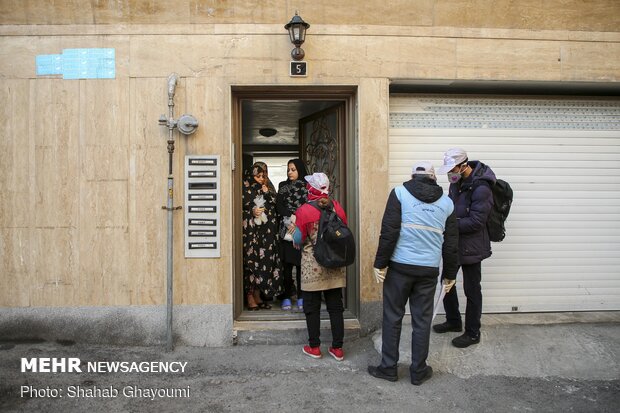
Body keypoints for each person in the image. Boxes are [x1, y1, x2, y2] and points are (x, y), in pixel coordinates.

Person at [368, 161, 459, 385]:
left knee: (392, 317)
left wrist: (380, 263)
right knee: (421, 321)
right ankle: (418, 371)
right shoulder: (447, 203)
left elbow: (389, 231)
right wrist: (449, 274)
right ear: (433, 179)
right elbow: (451, 244)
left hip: (399, 267)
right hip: (428, 271)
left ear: (412, 177)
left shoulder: (399, 193)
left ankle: (388, 368)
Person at [433, 148, 496, 348]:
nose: (450, 173)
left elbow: (477, 221)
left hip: (472, 247)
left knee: (472, 289)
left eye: (453, 169)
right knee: (447, 283)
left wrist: (449, 225)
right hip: (455, 243)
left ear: (463, 166)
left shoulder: (482, 188)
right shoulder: (456, 183)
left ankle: (472, 332)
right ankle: (453, 321)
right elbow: (451, 209)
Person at [292, 172, 347, 361]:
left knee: (312, 307)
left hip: (312, 265)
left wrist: (295, 234)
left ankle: (314, 347)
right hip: (334, 264)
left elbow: (298, 239)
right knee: (335, 307)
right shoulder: (337, 207)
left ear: (311, 190)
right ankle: (337, 348)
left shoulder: (304, 211)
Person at [242, 162, 283, 310]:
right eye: (257, 176)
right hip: (252, 235)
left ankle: (258, 295)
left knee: (265, 263)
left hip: (267, 234)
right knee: (252, 263)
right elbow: (239, 208)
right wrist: (251, 212)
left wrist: (267, 192)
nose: (261, 178)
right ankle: (250, 296)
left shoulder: (268, 187)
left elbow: (276, 205)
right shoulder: (245, 188)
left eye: (263, 175)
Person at [276, 159, 309, 311]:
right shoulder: (282, 186)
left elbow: (309, 206)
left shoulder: (308, 187)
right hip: (286, 230)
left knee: (301, 266)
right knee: (286, 266)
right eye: (288, 169)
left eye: (293, 169)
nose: (290, 172)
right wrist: (290, 216)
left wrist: (297, 219)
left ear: (300, 170)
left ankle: (302, 296)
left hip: (301, 229)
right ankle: (287, 296)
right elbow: (279, 206)